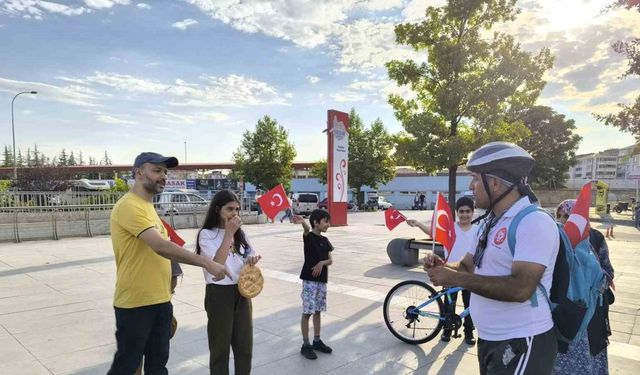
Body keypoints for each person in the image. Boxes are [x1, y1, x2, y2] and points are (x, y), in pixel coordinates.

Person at [423, 142, 559, 375]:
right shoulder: (489, 222)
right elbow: (467, 266)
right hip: (490, 338)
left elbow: (520, 288)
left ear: (494, 182)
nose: (471, 185)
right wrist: (444, 267)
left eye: (476, 178)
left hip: (522, 340)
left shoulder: (533, 222)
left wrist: (455, 279)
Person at [108, 152, 228, 375]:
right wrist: (206, 263)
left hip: (160, 302)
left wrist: (168, 298)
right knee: (127, 367)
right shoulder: (129, 206)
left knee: (157, 367)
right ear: (138, 172)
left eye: (165, 171)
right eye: (156, 170)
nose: (162, 176)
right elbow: (161, 246)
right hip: (135, 305)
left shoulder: (149, 208)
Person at [196, 189, 261, 375]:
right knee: (220, 348)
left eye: (237, 209)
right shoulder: (206, 234)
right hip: (219, 293)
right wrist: (228, 234)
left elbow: (251, 252)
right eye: (229, 209)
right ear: (218, 209)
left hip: (242, 292)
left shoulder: (240, 233)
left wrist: (253, 258)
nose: (234, 213)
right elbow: (216, 264)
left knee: (244, 346)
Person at [552, 200, 614, 375]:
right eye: (561, 216)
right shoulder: (555, 237)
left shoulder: (595, 237)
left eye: (569, 216)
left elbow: (608, 271)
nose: (564, 220)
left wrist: (589, 280)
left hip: (589, 312)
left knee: (588, 359)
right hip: (563, 312)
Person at [406, 196, 478, 345]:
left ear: (473, 212)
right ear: (457, 212)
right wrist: (418, 223)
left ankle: (469, 332)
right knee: (448, 305)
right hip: (450, 273)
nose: (464, 215)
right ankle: (447, 330)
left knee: (470, 305)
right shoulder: (450, 228)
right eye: (461, 211)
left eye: (468, 211)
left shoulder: (478, 230)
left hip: (470, 274)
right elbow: (432, 232)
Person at [292, 209, 334, 360]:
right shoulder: (309, 237)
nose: (328, 224)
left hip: (322, 281)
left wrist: (322, 263)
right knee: (308, 312)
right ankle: (306, 344)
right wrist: (303, 222)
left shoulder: (325, 240)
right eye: (325, 221)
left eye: (328, 221)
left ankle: (317, 340)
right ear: (316, 222)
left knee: (317, 311)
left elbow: (330, 260)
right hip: (309, 281)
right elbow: (306, 229)